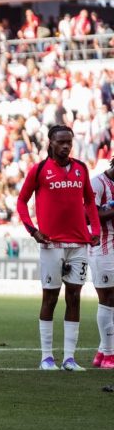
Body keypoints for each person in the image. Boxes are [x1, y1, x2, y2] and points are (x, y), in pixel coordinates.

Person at [16, 125, 100, 371]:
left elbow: (90, 202)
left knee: (74, 297)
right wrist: (32, 230)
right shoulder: (40, 169)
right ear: (50, 142)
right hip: (51, 244)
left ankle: (69, 358)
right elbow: (21, 201)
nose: (65, 146)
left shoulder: (81, 168)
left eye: (69, 143)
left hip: (78, 244)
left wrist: (94, 231)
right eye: (61, 142)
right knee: (50, 298)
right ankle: (46, 357)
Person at [90, 156, 114, 369]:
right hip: (103, 247)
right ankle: (109, 355)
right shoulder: (97, 183)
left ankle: (101, 352)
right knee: (107, 298)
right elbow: (88, 216)